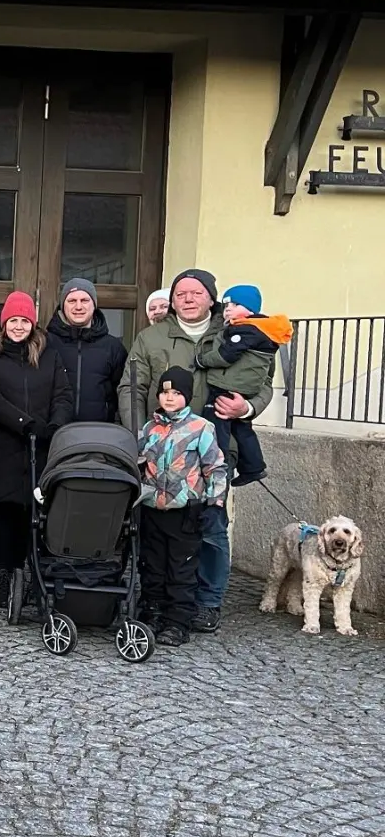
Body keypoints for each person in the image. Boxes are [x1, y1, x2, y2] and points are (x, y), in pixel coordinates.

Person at [118, 268, 274, 636]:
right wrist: (138, 437)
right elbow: (132, 388)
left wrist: (248, 408)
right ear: (172, 301)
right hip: (161, 452)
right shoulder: (151, 337)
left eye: (196, 292)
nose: (188, 299)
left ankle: (206, 602)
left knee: (211, 526)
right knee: (157, 531)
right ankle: (156, 600)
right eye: (181, 294)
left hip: (218, 444)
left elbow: (264, 381)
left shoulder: (237, 329)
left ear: (211, 297)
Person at [0, 291, 75, 611]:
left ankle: (34, 576)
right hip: (4, 447)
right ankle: (2, 575)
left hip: (41, 447)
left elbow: (62, 393)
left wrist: (54, 425)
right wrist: (24, 422)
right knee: (4, 514)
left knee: (37, 514)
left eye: (24, 321)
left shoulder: (49, 354)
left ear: (32, 324)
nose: (18, 326)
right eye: (13, 320)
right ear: (4, 323)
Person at [137, 366, 228, 646]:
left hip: (186, 510)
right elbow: (140, 464)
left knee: (181, 569)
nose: (170, 398)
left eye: (176, 393)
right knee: (152, 566)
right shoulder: (149, 428)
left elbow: (214, 466)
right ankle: (151, 612)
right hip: (152, 508)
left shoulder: (201, 428)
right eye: (165, 392)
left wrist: (215, 502)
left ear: (187, 396)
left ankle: (177, 621)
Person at [197, 284, 289, 487]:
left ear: (250, 309)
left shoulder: (245, 329)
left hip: (227, 387)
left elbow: (226, 355)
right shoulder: (261, 330)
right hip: (240, 386)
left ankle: (217, 465)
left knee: (216, 424)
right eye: (227, 304)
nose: (228, 309)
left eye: (235, 304)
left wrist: (202, 360)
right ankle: (253, 467)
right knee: (242, 429)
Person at [44, 278, 126, 424]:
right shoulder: (46, 342)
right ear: (62, 306)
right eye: (72, 301)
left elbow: (122, 394)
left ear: (94, 305)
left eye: (84, 300)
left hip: (99, 433)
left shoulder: (113, 347)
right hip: (54, 432)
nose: (78, 306)